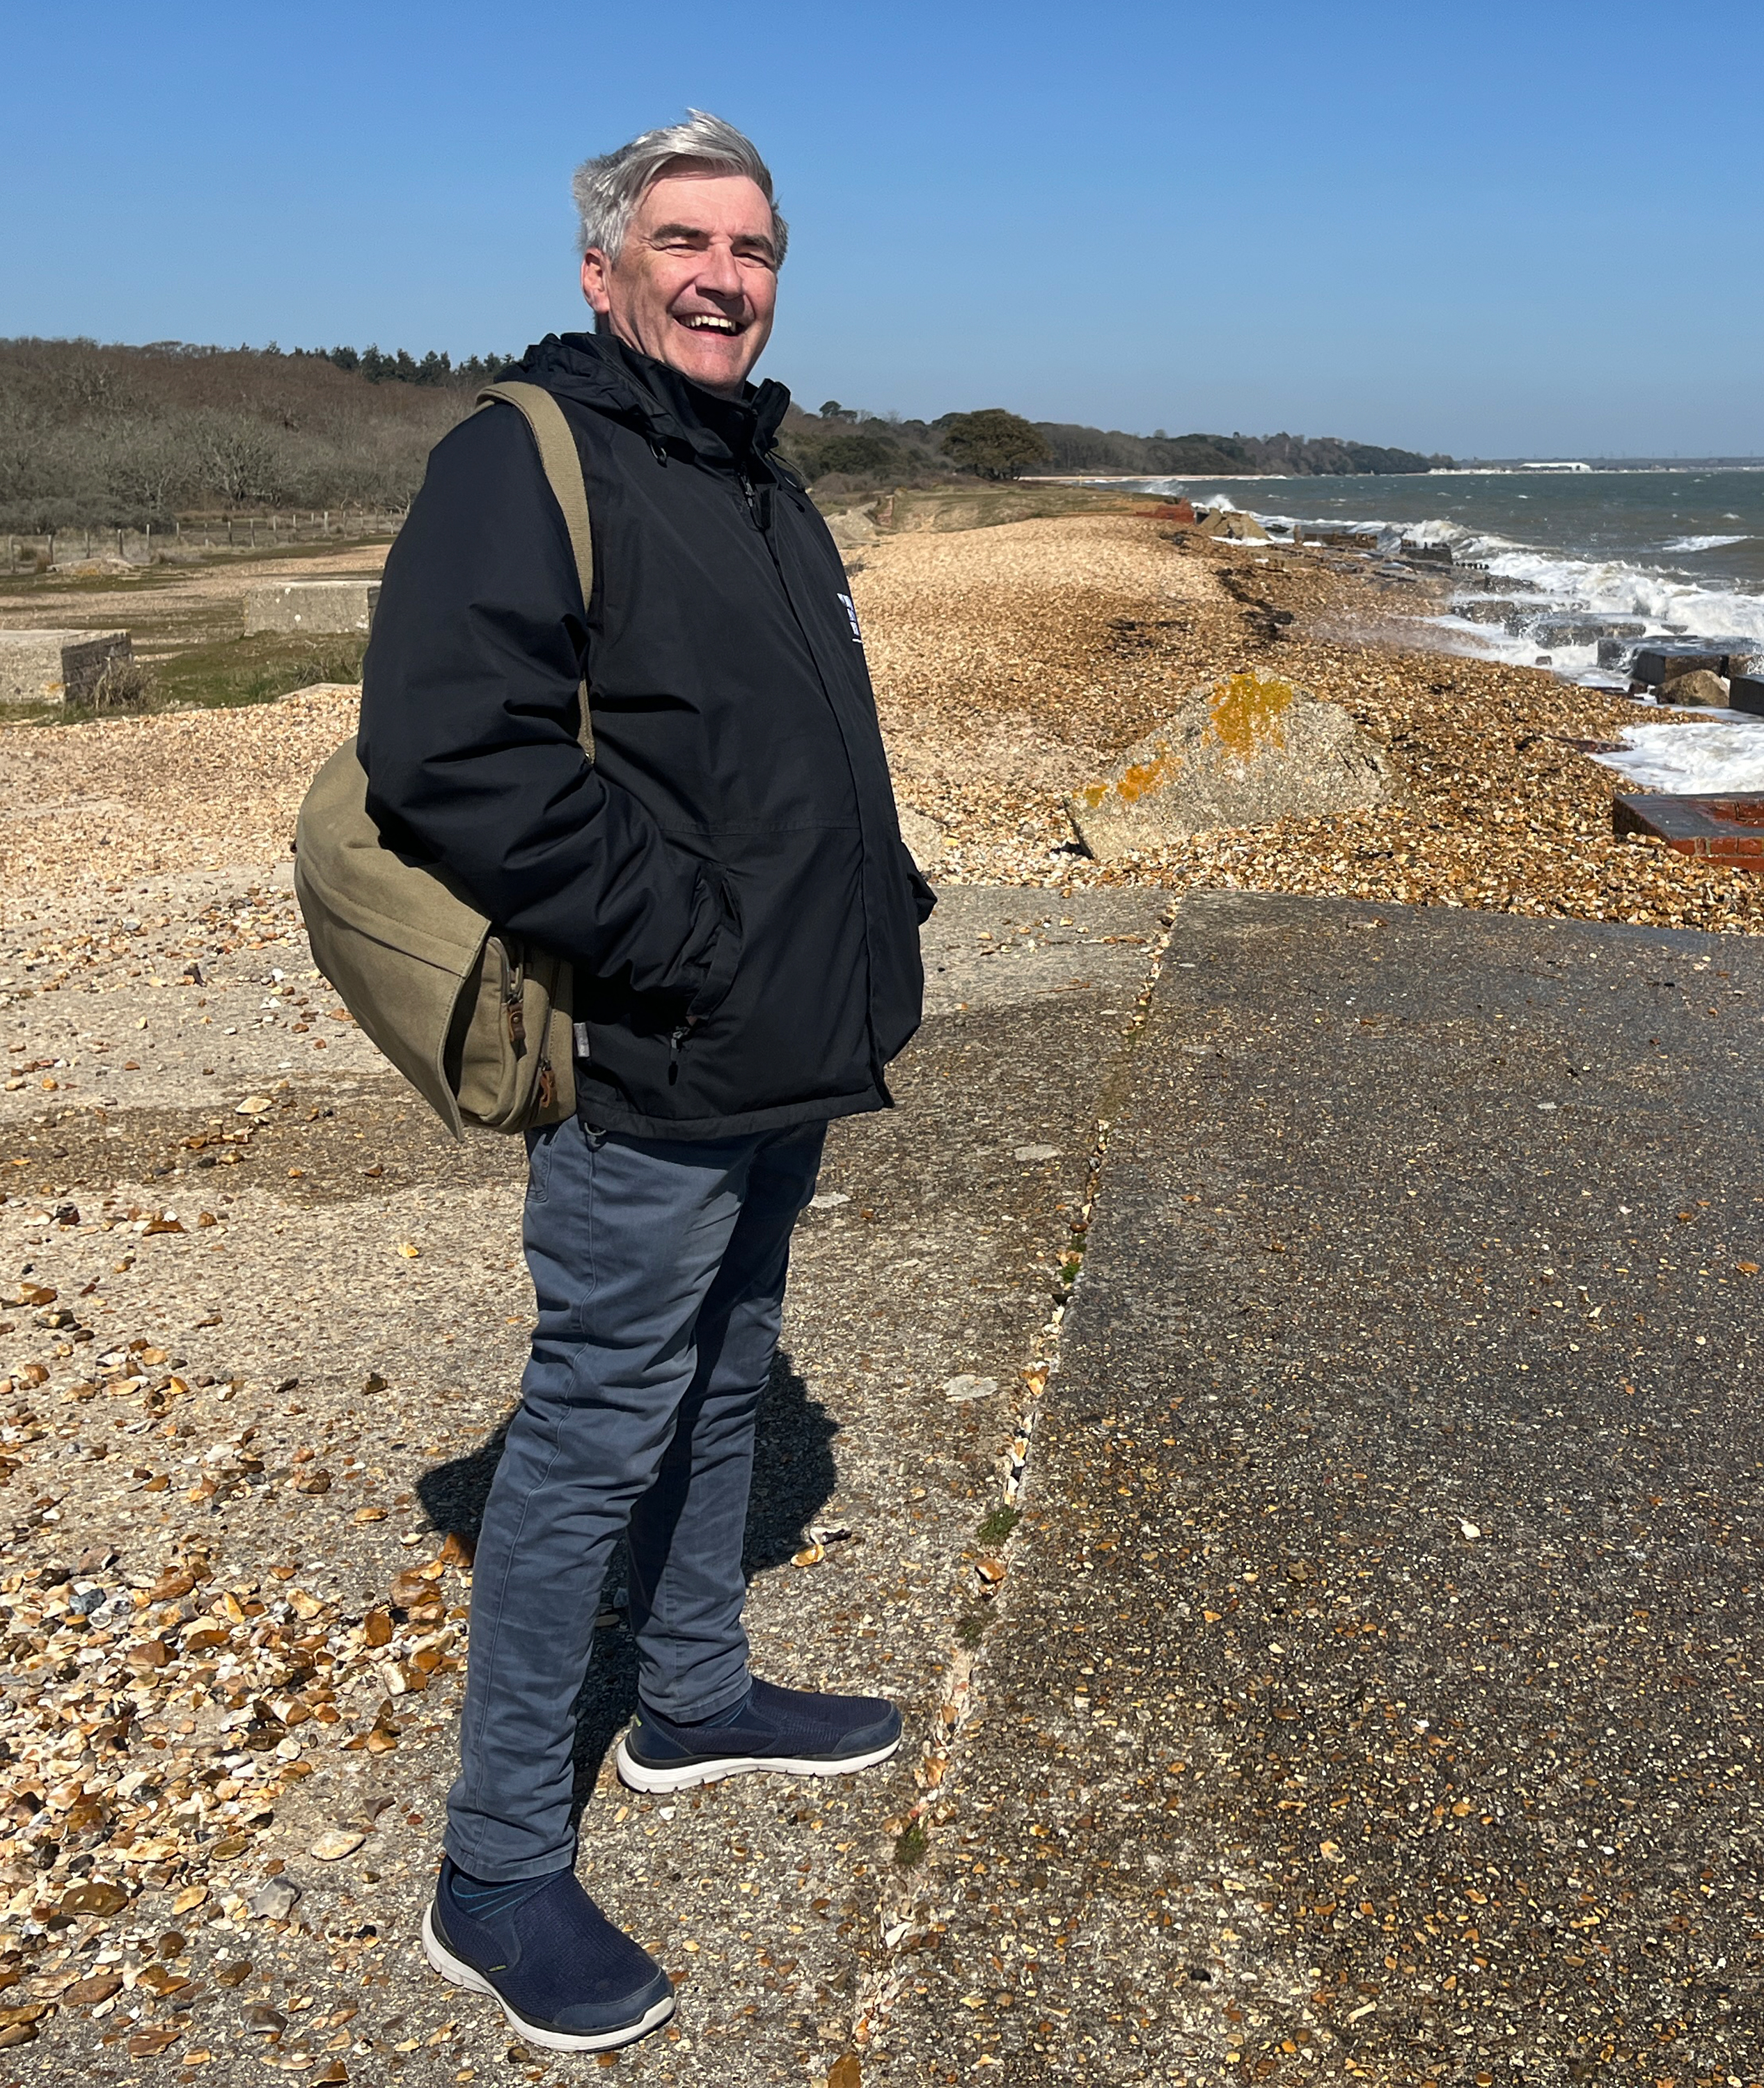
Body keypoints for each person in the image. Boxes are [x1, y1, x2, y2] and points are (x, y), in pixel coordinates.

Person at [356, 109, 934, 2054]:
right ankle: (497, 1862)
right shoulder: (521, 457)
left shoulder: (756, 470)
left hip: (784, 1035)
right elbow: (451, 752)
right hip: (657, 1043)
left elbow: (787, 750)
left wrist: (881, 910)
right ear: (600, 269)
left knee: (734, 1365)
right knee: (598, 1419)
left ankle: (690, 1697)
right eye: (683, 242)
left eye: (754, 249)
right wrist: (677, 944)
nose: (722, 275)